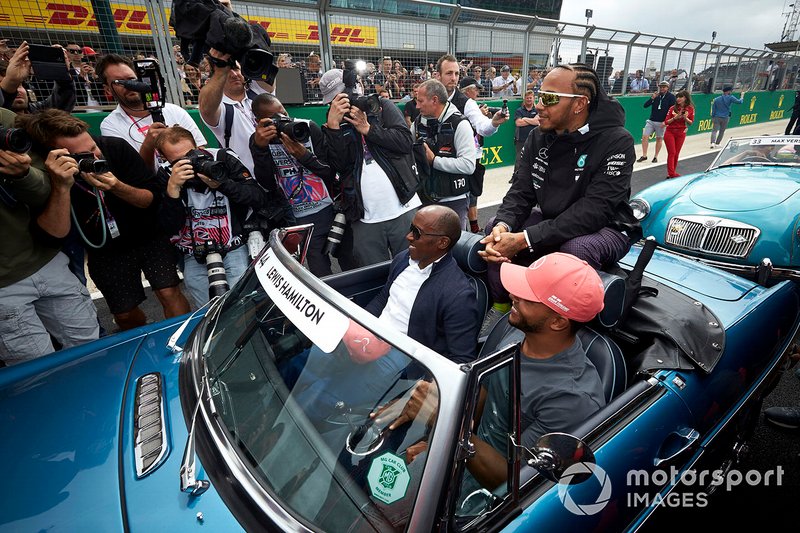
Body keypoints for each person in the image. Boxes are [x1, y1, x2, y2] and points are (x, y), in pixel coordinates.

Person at [379, 252, 606, 491]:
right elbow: (487, 387)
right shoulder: (520, 332)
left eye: (528, 298)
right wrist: (438, 443)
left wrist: (446, 425)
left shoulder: (572, 400)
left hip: (485, 490)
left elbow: (516, 482)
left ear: (558, 322)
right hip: (465, 452)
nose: (512, 296)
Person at [478, 63, 640, 338]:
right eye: (540, 95)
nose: (540, 105)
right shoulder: (538, 136)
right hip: (554, 219)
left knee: (574, 249)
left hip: (608, 227)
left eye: (549, 98)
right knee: (493, 226)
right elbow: (521, 193)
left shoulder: (617, 141)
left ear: (579, 104)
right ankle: (502, 304)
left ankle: (555, 330)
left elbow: (594, 212)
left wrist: (526, 238)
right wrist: (505, 226)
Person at [290, 205, 480, 418]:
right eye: (410, 228)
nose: (408, 237)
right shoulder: (402, 260)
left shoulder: (458, 294)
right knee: (304, 363)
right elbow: (383, 299)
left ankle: (293, 424)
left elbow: (461, 359)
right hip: (370, 333)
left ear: (442, 243)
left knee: (325, 397)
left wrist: (421, 393)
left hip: (401, 357)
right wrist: (359, 324)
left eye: (416, 233)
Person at [18, 109, 191, 330]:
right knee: (125, 315)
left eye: (93, 146)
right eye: (85, 155)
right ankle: (142, 339)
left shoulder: (114, 147)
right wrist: (61, 186)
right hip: (104, 250)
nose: (96, 156)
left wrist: (117, 187)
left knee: (168, 291)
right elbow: (52, 236)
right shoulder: (47, 174)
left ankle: (184, 338)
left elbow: (152, 199)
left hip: (147, 234)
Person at [0, 107, 98, 365]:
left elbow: (48, 189)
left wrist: (23, 174)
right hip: (4, 287)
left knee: (90, 349)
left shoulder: (4, 120)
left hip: (47, 260)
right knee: (36, 372)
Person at [319, 68, 421, 267]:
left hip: (404, 207)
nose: (343, 102)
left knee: (414, 269)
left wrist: (368, 129)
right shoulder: (334, 120)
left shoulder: (381, 105)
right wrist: (333, 127)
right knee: (374, 275)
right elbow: (338, 166)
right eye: (335, 100)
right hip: (365, 217)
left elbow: (404, 142)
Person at [155, 126, 267, 307]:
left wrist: (222, 184)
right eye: (178, 161)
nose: (188, 163)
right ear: (164, 158)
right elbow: (169, 226)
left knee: (242, 307)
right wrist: (172, 190)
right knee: (209, 312)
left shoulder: (222, 159)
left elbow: (258, 197)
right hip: (193, 252)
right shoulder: (166, 174)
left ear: (198, 146)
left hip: (233, 246)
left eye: (190, 154)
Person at [249, 93, 337, 276]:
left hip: (326, 207)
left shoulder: (308, 127)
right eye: (274, 119)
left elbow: (330, 172)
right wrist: (260, 149)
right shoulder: (259, 140)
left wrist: (304, 156)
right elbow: (267, 184)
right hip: (294, 214)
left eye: (283, 113)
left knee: (347, 255)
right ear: (258, 121)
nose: (282, 120)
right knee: (317, 266)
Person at [96, 54, 206, 170]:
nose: (129, 85)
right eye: (119, 82)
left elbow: (200, 148)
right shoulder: (111, 125)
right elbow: (133, 174)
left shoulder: (174, 111)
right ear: (108, 89)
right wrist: (149, 144)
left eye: (131, 79)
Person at [436, 55, 507, 233]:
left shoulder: (467, 103)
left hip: (457, 172)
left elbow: (482, 126)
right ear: (438, 75)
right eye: (449, 73)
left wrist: (494, 123)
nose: (453, 78)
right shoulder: (429, 96)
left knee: (454, 228)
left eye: (457, 73)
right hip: (432, 172)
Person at [410, 79, 475, 226]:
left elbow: (468, 165)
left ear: (434, 100)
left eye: (420, 101)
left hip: (453, 201)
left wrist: (434, 160)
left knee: (454, 247)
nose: (417, 105)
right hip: (425, 198)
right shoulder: (417, 122)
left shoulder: (460, 124)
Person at [198, 48, 259, 174]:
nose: (234, 74)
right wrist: (221, 68)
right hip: (246, 182)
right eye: (228, 70)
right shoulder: (221, 108)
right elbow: (206, 109)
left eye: (236, 68)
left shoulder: (258, 96)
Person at [0, 41, 75, 114]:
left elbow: (61, 104)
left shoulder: (36, 113)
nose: (17, 91)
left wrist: (61, 74)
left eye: (19, 85)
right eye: (3, 84)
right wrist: (11, 83)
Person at [637, 81, 676, 163]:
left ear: (667, 88)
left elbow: (672, 110)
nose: (662, 88)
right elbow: (645, 105)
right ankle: (644, 155)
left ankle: (655, 156)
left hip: (661, 122)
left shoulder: (671, 97)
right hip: (651, 120)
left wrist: (666, 122)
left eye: (664, 87)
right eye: (661, 87)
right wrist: (652, 98)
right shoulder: (656, 95)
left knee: (659, 139)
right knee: (644, 137)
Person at [663, 89, 694, 179]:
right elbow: (666, 122)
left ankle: (672, 172)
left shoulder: (690, 109)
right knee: (672, 152)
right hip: (670, 132)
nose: (678, 99)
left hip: (681, 133)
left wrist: (685, 118)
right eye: (677, 97)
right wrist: (675, 118)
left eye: (680, 97)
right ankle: (671, 173)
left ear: (685, 98)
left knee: (676, 153)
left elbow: (691, 122)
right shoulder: (672, 108)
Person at [514, 89, 539, 159]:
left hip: (535, 139)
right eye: (527, 98)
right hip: (521, 140)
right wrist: (533, 120)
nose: (529, 99)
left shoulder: (537, 110)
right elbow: (518, 123)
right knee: (519, 160)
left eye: (530, 98)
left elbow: (537, 122)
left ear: (534, 99)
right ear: (525, 99)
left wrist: (524, 119)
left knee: (534, 159)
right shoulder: (519, 110)